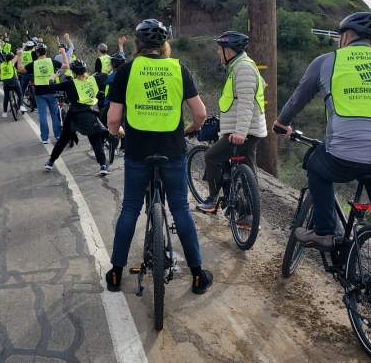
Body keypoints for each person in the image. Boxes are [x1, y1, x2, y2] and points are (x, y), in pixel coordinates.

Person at [272, 12, 371, 310]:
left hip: (345, 154)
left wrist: (281, 124)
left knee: (316, 166)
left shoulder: (328, 61)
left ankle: (326, 232)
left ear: (344, 36)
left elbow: (297, 99)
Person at [105, 18, 213, 295]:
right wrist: (189, 129)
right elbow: (200, 114)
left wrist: (119, 133)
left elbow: (114, 118)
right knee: (179, 208)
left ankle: (116, 273)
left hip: (138, 150)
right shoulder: (179, 68)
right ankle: (198, 274)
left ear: (138, 45)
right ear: (164, 44)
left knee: (129, 208)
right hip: (172, 149)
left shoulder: (127, 70)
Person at [196, 31, 268, 213]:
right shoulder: (240, 67)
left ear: (228, 51)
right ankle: (247, 215)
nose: (218, 54)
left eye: (219, 50)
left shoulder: (243, 68)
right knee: (248, 173)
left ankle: (212, 200)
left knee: (211, 157)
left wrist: (240, 132)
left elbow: (246, 103)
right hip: (249, 129)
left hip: (244, 131)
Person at [43, 59, 110, 174]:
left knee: (64, 139)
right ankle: (103, 166)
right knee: (95, 140)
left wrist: (52, 77)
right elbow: (104, 76)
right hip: (89, 114)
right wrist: (99, 73)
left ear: (73, 73)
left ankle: (50, 162)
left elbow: (52, 87)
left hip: (74, 116)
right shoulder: (94, 79)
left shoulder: (70, 84)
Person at [18, 43, 68, 144]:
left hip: (39, 92)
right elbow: (66, 66)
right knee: (54, 114)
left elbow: (21, 69)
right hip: (52, 90)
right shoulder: (52, 61)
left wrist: (19, 56)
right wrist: (63, 53)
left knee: (42, 115)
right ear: (46, 51)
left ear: (37, 53)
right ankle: (58, 135)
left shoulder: (34, 63)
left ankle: (45, 138)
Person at [0, 52, 27, 117]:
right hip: (13, 80)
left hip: (6, 82)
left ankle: (4, 113)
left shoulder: (2, 64)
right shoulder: (12, 62)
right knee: (20, 94)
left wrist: (1, 77)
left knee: (6, 98)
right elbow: (18, 55)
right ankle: (21, 106)